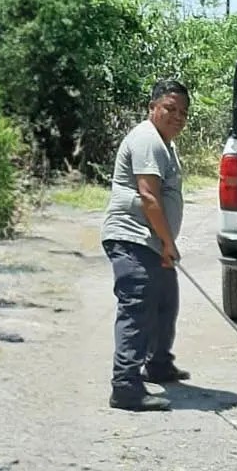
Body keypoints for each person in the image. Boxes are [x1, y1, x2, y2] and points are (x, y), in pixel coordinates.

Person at [101, 80, 192, 412]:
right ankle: (125, 386)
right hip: (133, 238)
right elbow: (149, 197)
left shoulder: (165, 144)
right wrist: (168, 242)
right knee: (137, 307)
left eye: (183, 112)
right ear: (152, 107)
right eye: (170, 108)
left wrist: (165, 242)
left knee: (166, 300)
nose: (177, 116)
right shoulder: (147, 139)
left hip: (151, 241)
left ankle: (158, 364)